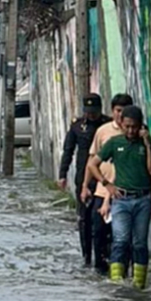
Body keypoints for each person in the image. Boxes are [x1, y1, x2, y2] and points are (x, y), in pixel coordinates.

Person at [87, 105, 151, 289]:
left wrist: (146, 144)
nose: (130, 131)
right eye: (127, 126)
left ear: (140, 126)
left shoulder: (150, 143)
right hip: (121, 200)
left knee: (139, 243)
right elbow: (92, 165)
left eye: (134, 127)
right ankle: (117, 283)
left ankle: (138, 285)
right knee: (120, 240)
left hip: (143, 199)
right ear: (121, 124)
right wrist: (107, 185)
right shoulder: (114, 143)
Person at [82, 93, 134, 274]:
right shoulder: (103, 132)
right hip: (102, 190)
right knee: (98, 231)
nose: (120, 115)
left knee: (124, 236)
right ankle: (100, 269)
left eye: (124, 111)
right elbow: (92, 160)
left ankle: (121, 270)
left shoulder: (135, 132)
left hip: (126, 193)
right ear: (112, 111)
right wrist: (84, 186)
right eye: (118, 111)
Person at [58, 93, 111, 269]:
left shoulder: (107, 125)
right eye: (88, 112)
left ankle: (104, 255)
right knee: (84, 219)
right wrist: (62, 174)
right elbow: (68, 150)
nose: (91, 115)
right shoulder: (77, 126)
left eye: (94, 111)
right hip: (84, 178)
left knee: (103, 219)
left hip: (104, 176)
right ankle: (87, 256)